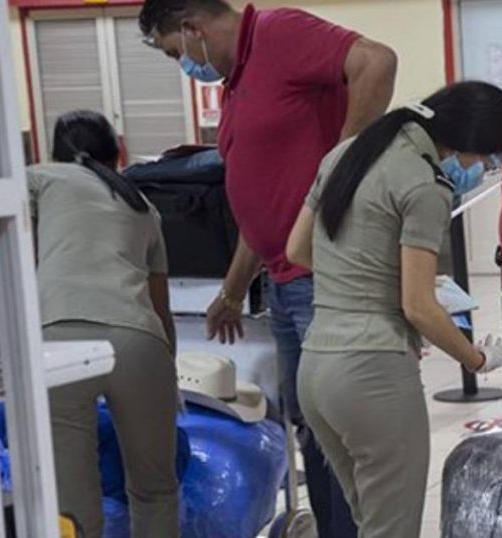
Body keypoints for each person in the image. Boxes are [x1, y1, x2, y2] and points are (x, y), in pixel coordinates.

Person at [139, 1, 397, 534]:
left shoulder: (278, 32)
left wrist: (340, 169)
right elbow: (264, 206)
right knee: (313, 429)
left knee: (342, 427)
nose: (183, 65)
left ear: (191, 28)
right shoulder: (236, 85)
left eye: (174, 53)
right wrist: (233, 290)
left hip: (322, 276)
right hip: (282, 282)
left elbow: (377, 60)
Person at [285, 81, 502, 537]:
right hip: (371, 374)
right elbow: (418, 307)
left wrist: (376, 278)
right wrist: (480, 357)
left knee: (369, 521)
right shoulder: (424, 182)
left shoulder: (347, 154)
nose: (482, 170)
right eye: (486, 160)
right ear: (467, 142)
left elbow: (298, 248)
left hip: (315, 369)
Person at [28, 110, 178, 538]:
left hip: (58, 340)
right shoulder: (141, 205)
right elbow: (160, 307)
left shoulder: (40, 178)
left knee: (71, 505)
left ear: (55, 154)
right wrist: (166, 377)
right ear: (118, 155)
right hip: (139, 342)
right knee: (155, 492)